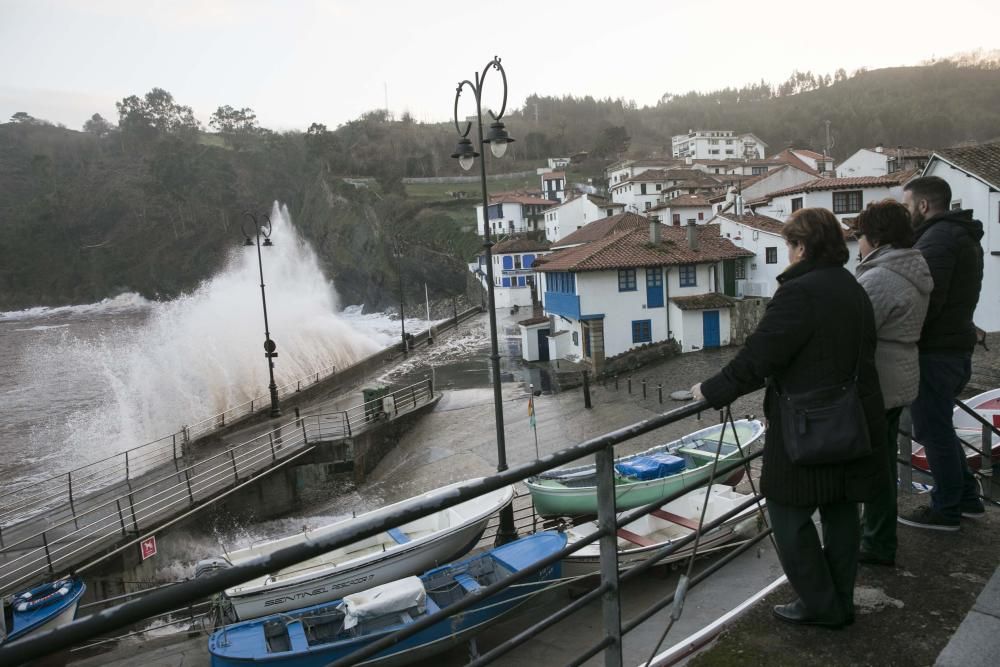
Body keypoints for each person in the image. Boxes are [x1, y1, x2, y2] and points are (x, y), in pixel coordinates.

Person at [692, 207, 886, 628]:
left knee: (786, 512)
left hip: (804, 423)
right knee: (840, 513)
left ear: (800, 246)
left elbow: (760, 356)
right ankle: (841, 600)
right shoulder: (851, 287)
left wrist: (711, 391)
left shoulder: (800, 292)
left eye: (788, 245)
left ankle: (822, 605)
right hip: (851, 420)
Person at [898, 176, 985, 530]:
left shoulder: (938, 240)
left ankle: (945, 509)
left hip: (936, 352)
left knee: (932, 431)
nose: (906, 214)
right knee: (939, 429)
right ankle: (967, 499)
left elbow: (928, 300)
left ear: (922, 205)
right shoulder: (957, 235)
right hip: (952, 346)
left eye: (907, 207)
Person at [853, 200, 932, 565]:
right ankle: (877, 536)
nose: (858, 244)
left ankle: (877, 541)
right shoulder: (913, 267)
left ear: (876, 238)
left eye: (861, 235)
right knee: (883, 460)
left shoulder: (880, 277)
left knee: (876, 467)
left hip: (879, 382)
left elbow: (852, 329)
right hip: (900, 375)